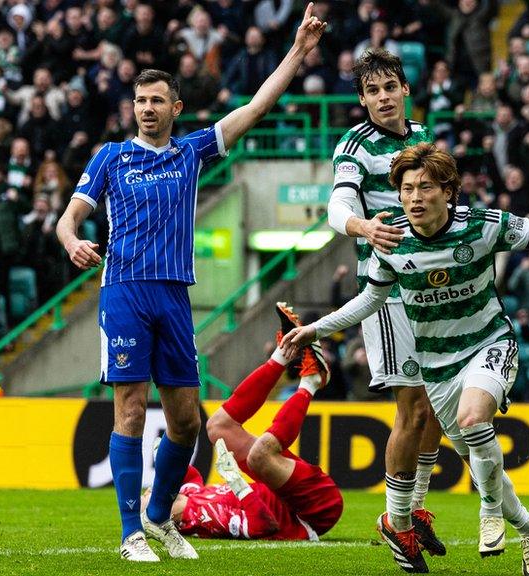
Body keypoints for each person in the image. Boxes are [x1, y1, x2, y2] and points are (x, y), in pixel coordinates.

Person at [283, 143, 529, 575]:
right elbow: (370, 300)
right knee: (481, 466)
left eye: (425, 187)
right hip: (437, 366)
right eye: (406, 189)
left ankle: (489, 513)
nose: (415, 197)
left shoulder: (482, 225)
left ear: (448, 191)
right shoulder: (392, 241)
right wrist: (316, 329)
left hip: (489, 343)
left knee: (475, 419)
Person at [54, 5, 327, 563]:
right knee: (129, 409)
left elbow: (255, 106)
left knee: (186, 420)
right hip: (126, 291)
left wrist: (298, 51)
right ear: (131, 108)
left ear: (175, 108)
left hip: (175, 296)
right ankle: (132, 532)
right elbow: (68, 217)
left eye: (157, 101)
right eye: (140, 101)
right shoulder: (110, 157)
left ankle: (160, 519)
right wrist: (71, 241)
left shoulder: (191, 151)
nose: (147, 109)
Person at [324, 48, 446, 562]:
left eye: (389, 87)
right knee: (412, 406)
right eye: (372, 91)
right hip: (388, 292)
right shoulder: (354, 145)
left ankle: (414, 509)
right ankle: (395, 522)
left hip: (428, 289)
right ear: (362, 99)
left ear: (405, 89)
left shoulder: (422, 138)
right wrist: (363, 226)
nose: (382, 98)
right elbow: (337, 205)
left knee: (438, 405)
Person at [141, 304, 343, 540]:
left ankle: (282, 353)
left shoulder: (188, 496)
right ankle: (311, 380)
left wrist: (165, 457)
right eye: (147, 504)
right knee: (259, 455)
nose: (149, 494)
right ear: (168, 519)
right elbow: (263, 525)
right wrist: (236, 483)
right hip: (311, 511)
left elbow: (191, 476)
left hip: (284, 492)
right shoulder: (202, 519)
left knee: (217, 427)